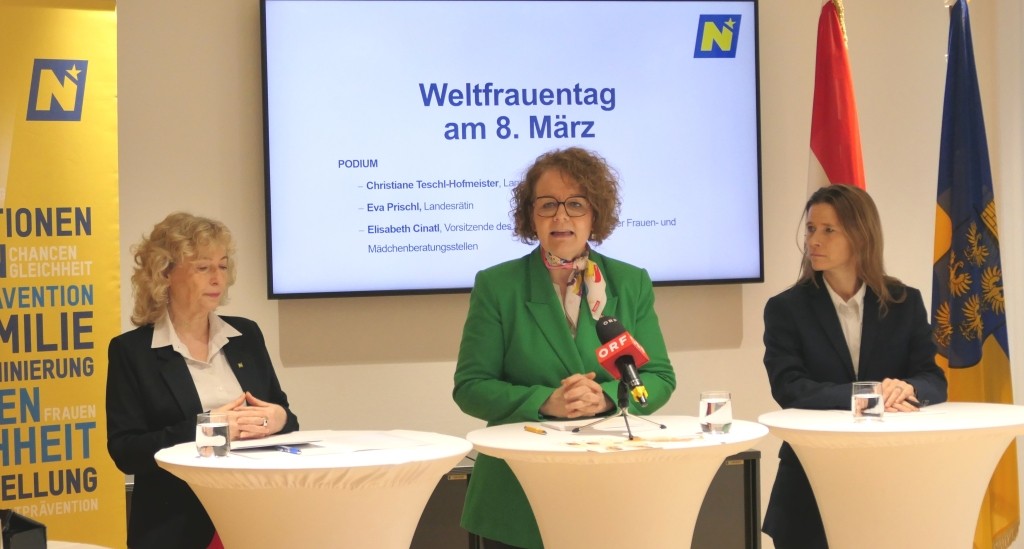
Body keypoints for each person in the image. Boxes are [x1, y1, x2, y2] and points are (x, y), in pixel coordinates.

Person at [453, 147, 677, 549]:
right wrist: (545, 402)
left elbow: (658, 377)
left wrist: (607, 399)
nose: (561, 217)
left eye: (575, 204)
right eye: (547, 205)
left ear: (595, 214)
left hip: (610, 487)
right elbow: (471, 386)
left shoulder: (630, 283)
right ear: (529, 215)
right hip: (519, 494)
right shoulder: (498, 285)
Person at [761, 184, 947, 548]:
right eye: (811, 229)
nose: (814, 240)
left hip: (891, 479)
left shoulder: (904, 302)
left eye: (829, 230)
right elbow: (789, 387)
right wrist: (868, 395)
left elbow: (934, 379)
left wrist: (909, 389)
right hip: (810, 481)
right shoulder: (786, 308)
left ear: (861, 236)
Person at [106, 213, 300, 549]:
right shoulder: (132, 352)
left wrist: (278, 418)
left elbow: (285, 418)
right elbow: (127, 452)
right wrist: (210, 429)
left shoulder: (246, 335)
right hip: (177, 528)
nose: (218, 279)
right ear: (165, 274)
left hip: (256, 516)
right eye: (203, 267)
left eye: (223, 266)